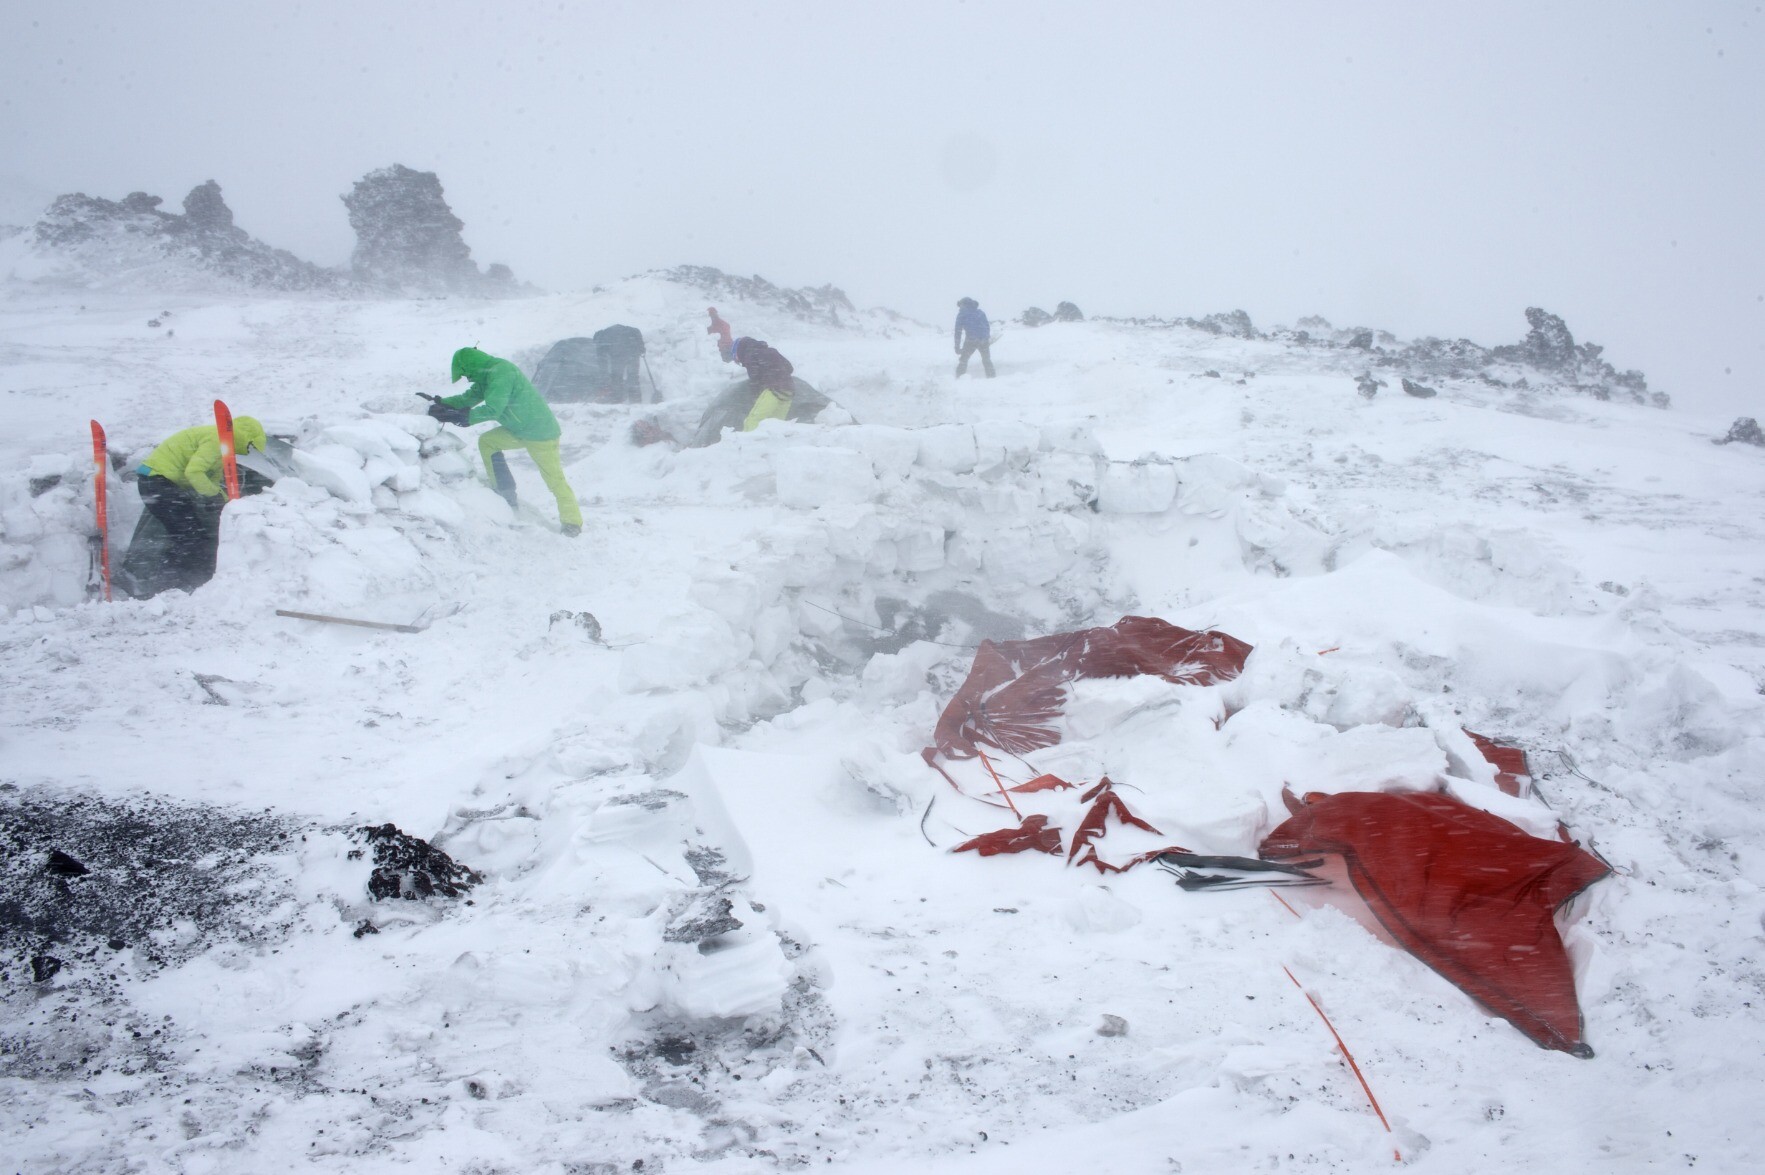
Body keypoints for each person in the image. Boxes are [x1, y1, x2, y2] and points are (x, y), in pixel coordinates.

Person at [428, 347, 584, 537]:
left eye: (467, 373)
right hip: (518, 429)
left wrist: (464, 417)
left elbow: (494, 408)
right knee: (487, 442)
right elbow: (468, 398)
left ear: (472, 364)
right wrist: (441, 402)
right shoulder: (485, 377)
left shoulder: (502, 372)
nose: (468, 378)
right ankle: (505, 491)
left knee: (554, 480)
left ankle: (572, 523)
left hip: (540, 433)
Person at [133, 415, 269, 593]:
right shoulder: (216, 439)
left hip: (160, 484)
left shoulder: (223, 447)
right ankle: (172, 584)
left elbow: (211, 477)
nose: (249, 450)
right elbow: (195, 472)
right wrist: (215, 494)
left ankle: (180, 581)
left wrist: (224, 500)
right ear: (245, 435)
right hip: (156, 482)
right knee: (188, 534)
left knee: (192, 533)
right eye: (250, 444)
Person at [707, 309, 796, 431]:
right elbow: (789, 368)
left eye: (737, 359)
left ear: (738, 351)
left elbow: (755, 381)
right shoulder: (770, 351)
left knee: (752, 421)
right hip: (789, 391)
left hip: (774, 390)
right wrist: (777, 372)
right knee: (776, 425)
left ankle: (747, 447)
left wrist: (755, 398)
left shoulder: (750, 355)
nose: (740, 363)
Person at [592, 324, 647, 403]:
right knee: (633, 377)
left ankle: (617, 400)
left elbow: (602, 363)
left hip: (619, 356)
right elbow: (636, 331)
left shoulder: (601, 342)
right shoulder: (611, 331)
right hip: (633, 353)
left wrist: (604, 381)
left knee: (616, 378)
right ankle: (636, 401)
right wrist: (641, 347)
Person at [954, 297, 995, 378]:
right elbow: (987, 326)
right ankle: (992, 378)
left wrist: (957, 347)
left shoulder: (962, 314)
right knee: (986, 360)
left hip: (971, 340)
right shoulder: (980, 313)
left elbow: (958, 331)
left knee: (963, 360)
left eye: (960, 305)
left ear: (963, 304)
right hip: (983, 340)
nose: (960, 308)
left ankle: (959, 378)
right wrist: (986, 338)